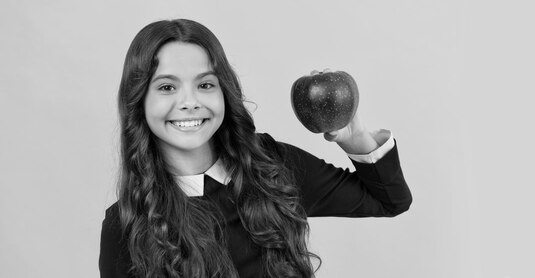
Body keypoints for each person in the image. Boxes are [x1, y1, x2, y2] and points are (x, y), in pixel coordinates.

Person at [99, 18, 412, 278]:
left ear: (224, 92)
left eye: (205, 84)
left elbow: (389, 200)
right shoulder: (125, 225)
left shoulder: (270, 164)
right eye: (167, 87)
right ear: (140, 100)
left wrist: (352, 135)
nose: (190, 102)